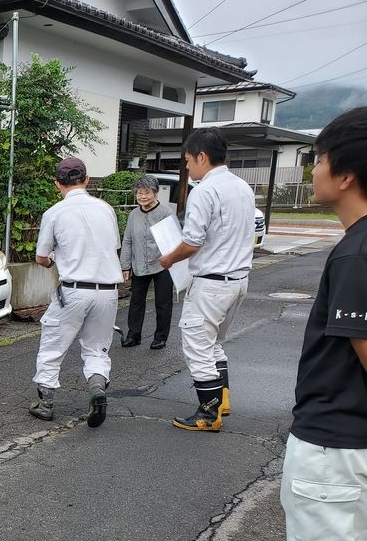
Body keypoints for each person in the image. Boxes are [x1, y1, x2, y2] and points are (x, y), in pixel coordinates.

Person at [256, 107, 367, 541]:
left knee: (327, 539)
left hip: (337, 430)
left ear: (345, 173)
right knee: (357, 539)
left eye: (318, 159)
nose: (314, 169)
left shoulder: (356, 253)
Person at [159, 127, 255, 432]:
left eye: (188, 160)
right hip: (238, 279)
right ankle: (221, 400)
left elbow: (192, 242)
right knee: (213, 343)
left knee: (197, 346)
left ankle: (208, 413)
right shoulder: (243, 187)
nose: (188, 167)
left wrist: (168, 258)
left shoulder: (205, 191)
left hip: (211, 282)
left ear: (202, 156)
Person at [29, 157, 122, 428]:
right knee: (96, 348)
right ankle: (96, 389)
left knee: (53, 345)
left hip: (73, 290)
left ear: (57, 184)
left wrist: (55, 260)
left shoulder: (55, 213)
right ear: (87, 180)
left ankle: (45, 403)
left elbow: (41, 257)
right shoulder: (106, 209)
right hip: (107, 291)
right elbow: (112, 246)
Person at [120, 175, 175, 350]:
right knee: (136, 301)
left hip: (162, 265)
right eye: (139, 193)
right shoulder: (133, 214)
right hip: (139, 265)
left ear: (155, 193)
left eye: (147, 193)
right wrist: (125, 265)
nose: (143, 197)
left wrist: (172, 260)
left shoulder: (165, 213)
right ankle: (133, 335)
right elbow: (127, 240)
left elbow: (174, 240)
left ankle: (160, 337)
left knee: (163, 302)